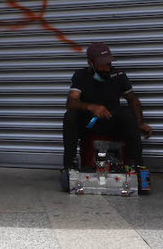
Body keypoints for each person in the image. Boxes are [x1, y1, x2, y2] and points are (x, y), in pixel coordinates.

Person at [62, 42, 152, 177]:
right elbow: (71, 102)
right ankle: (69, 165)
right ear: (90, 63)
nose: (107, 67)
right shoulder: (81, 76)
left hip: (111, 120)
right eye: (103, 63)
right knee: (70, 116)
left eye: (109, 63)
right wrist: (91, 107)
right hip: (90, 123)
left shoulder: (119, 75)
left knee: (127, 113)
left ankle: (137, 165)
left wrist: (139, 123)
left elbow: (133, 100)